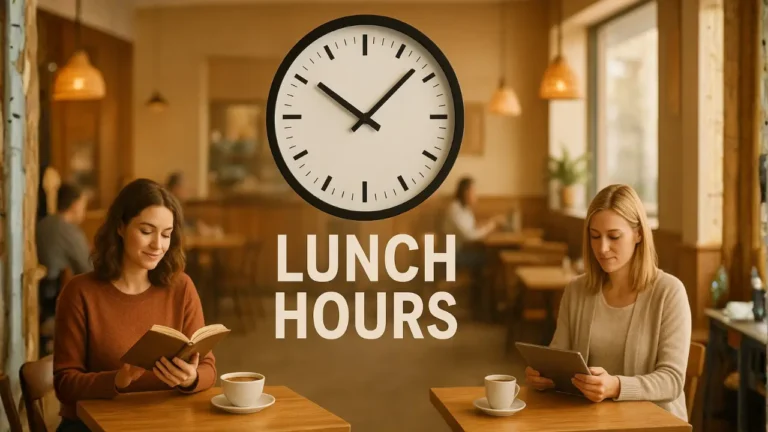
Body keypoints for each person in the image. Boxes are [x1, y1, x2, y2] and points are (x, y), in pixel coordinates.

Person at [53, 179, 217, 432]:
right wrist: (119, 379)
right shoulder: (79, 292)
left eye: (166, 234)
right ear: (120, 227)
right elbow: (65, 383)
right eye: (146, 231)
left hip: (163, 423)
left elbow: (208, 368)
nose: (158, 245)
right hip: (92, 426)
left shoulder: (181, 287)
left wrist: (190, 378)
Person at [524, 184, 691, 422]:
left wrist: (616, 386)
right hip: (593, 422)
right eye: (595, 236)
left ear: (639, 234)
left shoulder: (669, 292)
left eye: (614, 236)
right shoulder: (576, 290)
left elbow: (672, 381)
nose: (602, 248)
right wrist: (542, 375)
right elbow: (558, 355)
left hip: (653, 424)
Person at [36, 183, 93, 355]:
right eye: (83, 205)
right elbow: (87, 269)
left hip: (42, 295)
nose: (84, 211)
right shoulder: (68, 230)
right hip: (54, 300)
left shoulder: (43, 223)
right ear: (75, 205)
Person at [442, 176, 505, 318]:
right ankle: (486, 307)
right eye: (473, 191)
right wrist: (490, 226)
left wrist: (487, 222)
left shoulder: (464, 208)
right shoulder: (454, 209)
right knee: (489, 260)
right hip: (452, 254)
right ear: (465, 192)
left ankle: (480, 305)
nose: (475, 194)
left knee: (487, 260)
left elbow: (471, 227)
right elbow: (470, 235)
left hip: (461, 251)